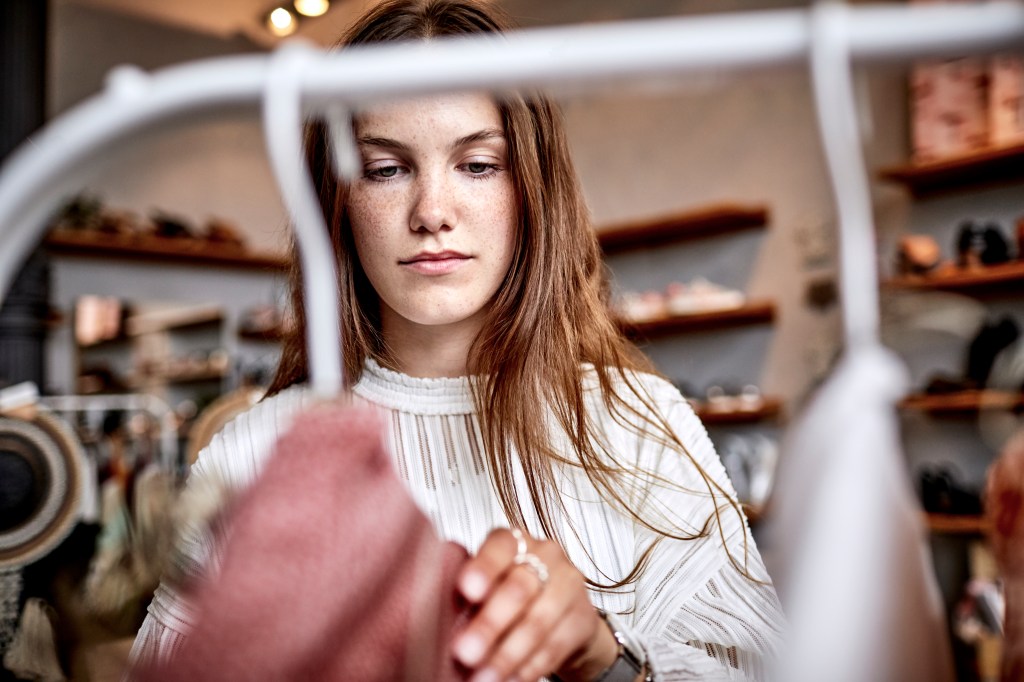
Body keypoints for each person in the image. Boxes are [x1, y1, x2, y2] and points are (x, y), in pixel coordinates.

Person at [129, 1, 785, 679]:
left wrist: (599, 657)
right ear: (337, 200)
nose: (432, 213)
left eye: (477, 165)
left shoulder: (641, 424)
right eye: (387, 169)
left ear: (531, 187)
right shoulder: (253, 457)